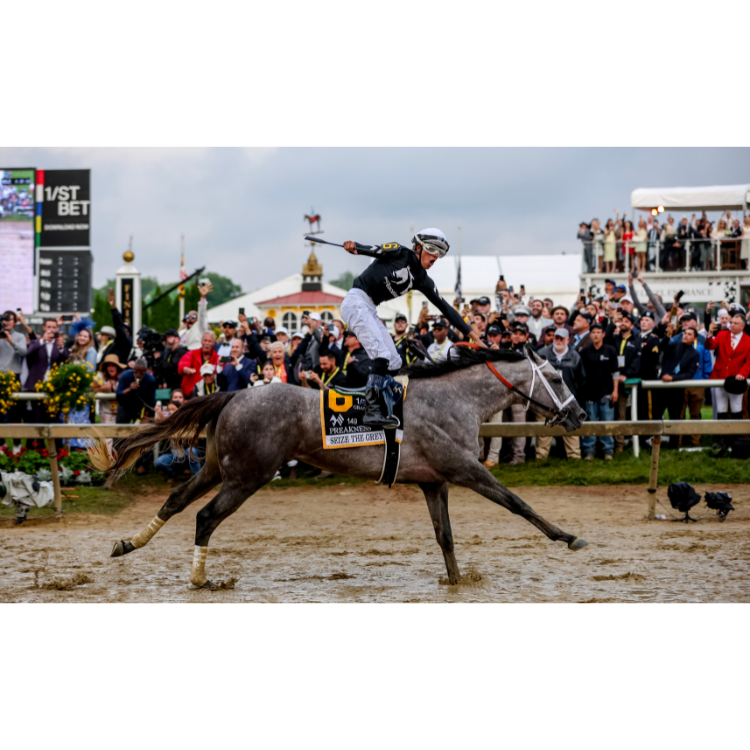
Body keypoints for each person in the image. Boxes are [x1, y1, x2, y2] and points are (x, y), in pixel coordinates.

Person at [341, 229, 479, 428]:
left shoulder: (423, 280)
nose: (434, 257)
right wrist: (355, 247)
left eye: (439, 253)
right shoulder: (400, 252)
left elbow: (446, 308)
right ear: (418, 247)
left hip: (370, 308)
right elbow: (375, 250)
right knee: (381, 355)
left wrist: (476, 338)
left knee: (395, 361)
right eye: (431, 250)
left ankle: (382, 403)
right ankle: (372, 411)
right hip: (356, 301)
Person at [535, 329, 585, 461]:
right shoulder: (542, 354)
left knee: (571, 429)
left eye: (561, 338)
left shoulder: (575, 356)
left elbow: (581, 379)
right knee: (544, 430)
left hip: (568, 402)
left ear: (568, 340)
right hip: (546, 401)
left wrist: (575, 398)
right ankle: (540, 458)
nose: (558, 340)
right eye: (556, 338)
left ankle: (574, 457)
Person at [706, 314, 750, 449]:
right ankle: (722, 441)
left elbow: (748, 362)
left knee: (737, 409)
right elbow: (710, 346)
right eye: (732, 322)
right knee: (721, 409)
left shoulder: (748, 340)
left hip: (736, 380)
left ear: (743, 326)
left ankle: (736, 441)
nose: (732, 325)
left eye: (736, 323)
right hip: (719, 377)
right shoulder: (722, 334)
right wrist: (709, 334)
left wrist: (742, 374)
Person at [579, 323, 620, 461]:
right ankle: (589, 451)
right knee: (590, 424)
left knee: (607, 424)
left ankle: (608, 451)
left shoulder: (611, 350)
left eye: (598, 332)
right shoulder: (584, 351)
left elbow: (615, 372)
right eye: (593, 332)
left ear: (603, 334)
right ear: (590, 335)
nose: (595, 335)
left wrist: (615, 391)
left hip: (607, 393)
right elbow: (581, 374)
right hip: (589, 394)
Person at [24, 319, 70, 424]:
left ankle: (54, 440)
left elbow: (67, 360)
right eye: (49, 327)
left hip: (55, 385)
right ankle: (39, 440)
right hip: (37, 384)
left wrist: (61, 348)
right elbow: (29, 354)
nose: (51, 330)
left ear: (57, 329)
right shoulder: (36, 342)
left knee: (54, 417)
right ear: (44, 328)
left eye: (54, 327)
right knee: (38, 417)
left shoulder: (60, 343)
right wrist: (42, 340)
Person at [607, 313, 641, 454]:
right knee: (606, 414)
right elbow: (606, 337)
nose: (623, 323)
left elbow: (636, 361)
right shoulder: (614, 338)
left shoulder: (637, 341)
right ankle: (605, 443)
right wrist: (612, 323)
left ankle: (619, 445)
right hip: (609, 382)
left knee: (621, 414)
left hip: (624, 382)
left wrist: (626, 374)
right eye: (621, 321)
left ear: (632, 326)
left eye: (626, 321)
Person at [0, 311, 28, 450]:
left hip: (14, 376)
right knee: (0, 413)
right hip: (0, 377)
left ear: (15, 322)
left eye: (9, 320)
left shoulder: (19, 336)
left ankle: (17, 445)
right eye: (3, 319)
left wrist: (10, 341)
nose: (6, 322)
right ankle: (2, 445)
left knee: (15, 413)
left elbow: (24, 352)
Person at [116, 358, 156, 424]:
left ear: (146, 370)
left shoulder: (151, 379)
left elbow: (151, 401)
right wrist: (129, 389)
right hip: (125, 403)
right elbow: (118, 394)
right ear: (133, 369)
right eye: (136, 371)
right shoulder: (125, 375)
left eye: (142, 372)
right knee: (122, 426)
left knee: (148, 421)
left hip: (141, 404)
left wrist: (146, 414)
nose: (138, 374)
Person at [178, 332, 219, 398]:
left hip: (209, 394)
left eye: (209, 341)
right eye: (205, 340)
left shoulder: (217, 358)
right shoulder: (192, 354)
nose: (207, 343)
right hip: (190, 394)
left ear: (213, 343)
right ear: (201, 341)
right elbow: (181, 366)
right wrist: (186, 369)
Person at [180, 281, 212, 350]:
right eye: (188, 316)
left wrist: (203, 297)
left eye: (193, 316)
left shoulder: (200, 326)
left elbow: (202, 315)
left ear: (197, 319)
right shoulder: (183, 332)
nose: (190, 318)